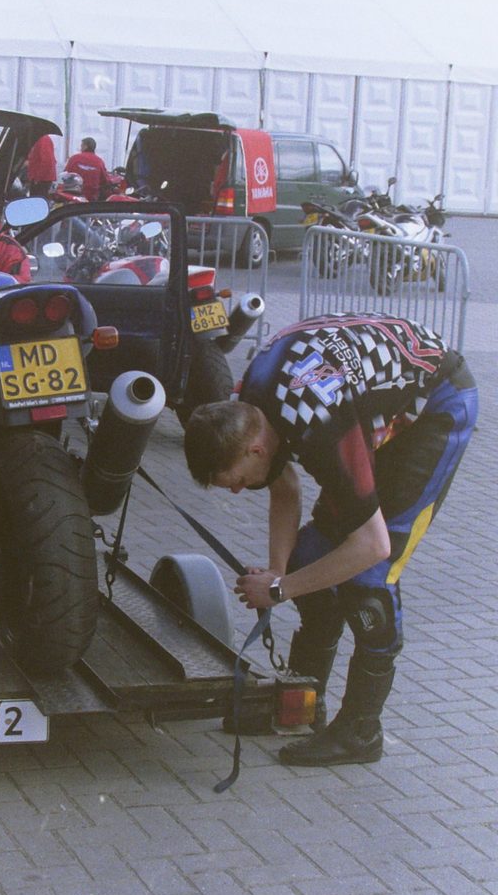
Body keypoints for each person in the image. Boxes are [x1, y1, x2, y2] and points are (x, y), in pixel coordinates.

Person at [183, 312, 478, 768]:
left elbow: (373, 545)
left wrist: (279, 590)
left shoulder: (319, 425)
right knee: (310, 556)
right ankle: (303, 702)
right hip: (364, 399)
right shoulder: (250, 408)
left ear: (255, 449)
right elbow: (285, 487)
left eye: (236, 481)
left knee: (369, 578)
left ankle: (361, 732)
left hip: (436, 406)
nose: (239, 491)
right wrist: (280, 572)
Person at [64, 136, 111, 202]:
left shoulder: (74, 158)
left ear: (85, 146)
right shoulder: (99, 161)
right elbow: (105, 181)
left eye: (81, 146)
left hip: (74, 196)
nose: (80, 148)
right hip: (91, 198)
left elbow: (66, 175)